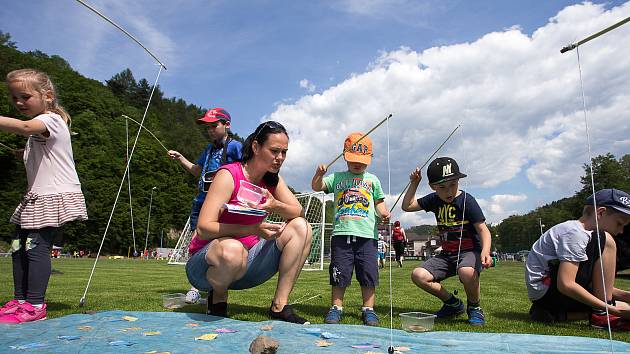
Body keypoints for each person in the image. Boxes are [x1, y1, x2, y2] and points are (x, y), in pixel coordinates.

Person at [186, 121, 312, 323]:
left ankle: (279, 306)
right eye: (274, 151)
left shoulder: (273, 180)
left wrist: (274, 205)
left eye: (284, 152)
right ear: (255, 147)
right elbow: (203, 228)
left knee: (301, 227)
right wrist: (252, 229)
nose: (279, 158)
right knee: (233, 249)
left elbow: (298, 210)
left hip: (249, 263)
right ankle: (218, 298)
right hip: (207, 266)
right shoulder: (229, 174)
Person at [0, 69, 88, 324]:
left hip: (52, 196)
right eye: (14, 97)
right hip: (35, 197)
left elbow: (27, 128)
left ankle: (35, 304)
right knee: (18, 248)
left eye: (24, 97)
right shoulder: (38, 129)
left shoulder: (51, 120)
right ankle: (20, 301)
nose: (18, 103)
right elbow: (39, 148)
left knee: (35, 247)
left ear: (47, 96)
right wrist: (22, 153)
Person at [401, 157, 492, 326]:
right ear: (432, 187)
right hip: (446, 255)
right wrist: (414, 183)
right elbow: (407, 206)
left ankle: (474, 308)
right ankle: (453, 304)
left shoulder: (467, 200)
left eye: (453, 184)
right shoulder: (433, 199)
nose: (448, 192)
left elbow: (483, 229)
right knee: (418, 275)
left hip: (469, 252)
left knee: (466, 272)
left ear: (458, 181)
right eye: (442, 187)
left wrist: (485, 251)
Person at [312, 132, 391, 326]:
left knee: (369, 274)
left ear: (369, 159)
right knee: (339, 273)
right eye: (353, 160)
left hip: (367, 237)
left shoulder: (373, 180)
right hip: (341, 235)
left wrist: (384, 213)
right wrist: (319, 175)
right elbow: (317, 187)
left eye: (362, 161)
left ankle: (368, 309)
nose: (357, 164)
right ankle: (336, 307)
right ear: (344, 156)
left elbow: (379, 203)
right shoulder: (337, 177)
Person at [525, 189, 630, 330]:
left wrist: (625, 296)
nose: (621, 230)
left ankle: (555, 315)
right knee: (608, 240)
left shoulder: (579, 233)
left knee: (624, 305)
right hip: (549, 293)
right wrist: (613, 310)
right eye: (619, 223)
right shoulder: (575, 233)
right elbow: (566, 284)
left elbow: (596, 284)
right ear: (601, 213)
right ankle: (601, 315)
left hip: (546, 295)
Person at [168, 108, 243, 304]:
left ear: (226, 125)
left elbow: (244, 171)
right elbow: (197, 171)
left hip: (221, 205)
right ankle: (198, 285)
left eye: (213, 126)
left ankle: (211, 288)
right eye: (207, 127)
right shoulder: (208, 150)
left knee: (215, 245)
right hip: (201, 201)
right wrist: (181, 158)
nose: (209, 130)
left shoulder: (235, 147)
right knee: (196, 245)